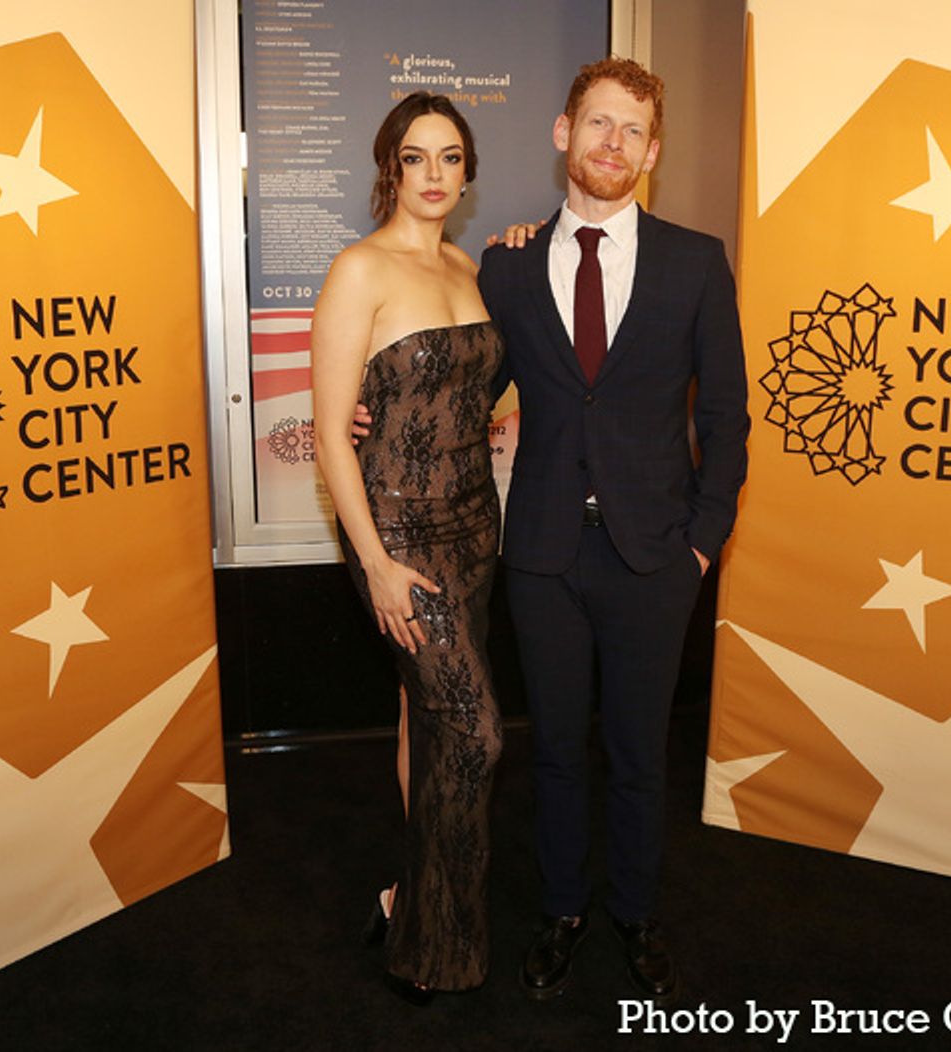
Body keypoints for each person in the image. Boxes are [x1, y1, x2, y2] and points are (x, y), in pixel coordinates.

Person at [478, 57, 749, 1004]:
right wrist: (372, 415)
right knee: (554, 748)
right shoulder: (508, 265)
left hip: (655, 556)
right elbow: (466, 390)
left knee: (638, 753)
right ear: (564, 132)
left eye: (633, 130)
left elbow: (727, 417)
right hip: (542, 556)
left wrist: (702, 542)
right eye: (598, 122)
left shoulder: (695, 261)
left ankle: (635, 911)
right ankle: (562, 910)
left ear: (653, 151)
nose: (613, 143)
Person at [311, 92, 503, 1006]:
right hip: (397, 536)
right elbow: (329, 435)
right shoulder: (359, 269)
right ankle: (434, 940)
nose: (434, 174)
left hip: (475, 529)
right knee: (477, 734)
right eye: (417, 156)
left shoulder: (470, 265)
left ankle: (407, 897)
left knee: (428, 720)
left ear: (467, 172)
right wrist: (379, 565)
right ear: (391, 167)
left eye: (450, 157)